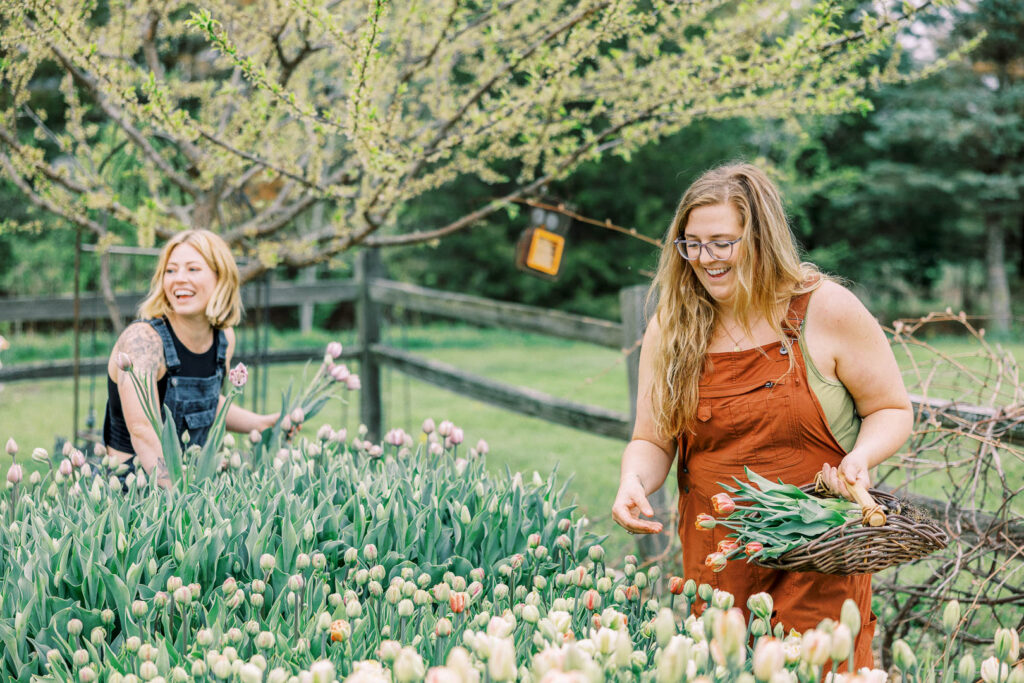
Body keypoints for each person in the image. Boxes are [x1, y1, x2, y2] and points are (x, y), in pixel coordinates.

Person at [611, 163, 912, 668]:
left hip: (819, 554)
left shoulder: (826, 309)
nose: (705, 259)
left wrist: (862, 455)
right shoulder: (674, 325)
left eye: (722, 242)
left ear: (762, 238)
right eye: (692, 244)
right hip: (716, 557)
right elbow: (653, 439)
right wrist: (633, 479)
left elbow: (891, 409)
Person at [103, 229, 279, 488]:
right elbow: (143, 431)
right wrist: (182, 496)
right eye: (171, 271)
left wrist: (263, 424)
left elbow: (205, 402)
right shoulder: (143, 341)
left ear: (221, 277)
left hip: (194, 484)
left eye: (193, 269)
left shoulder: (223, 338)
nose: (179, 279)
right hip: (134, 490)